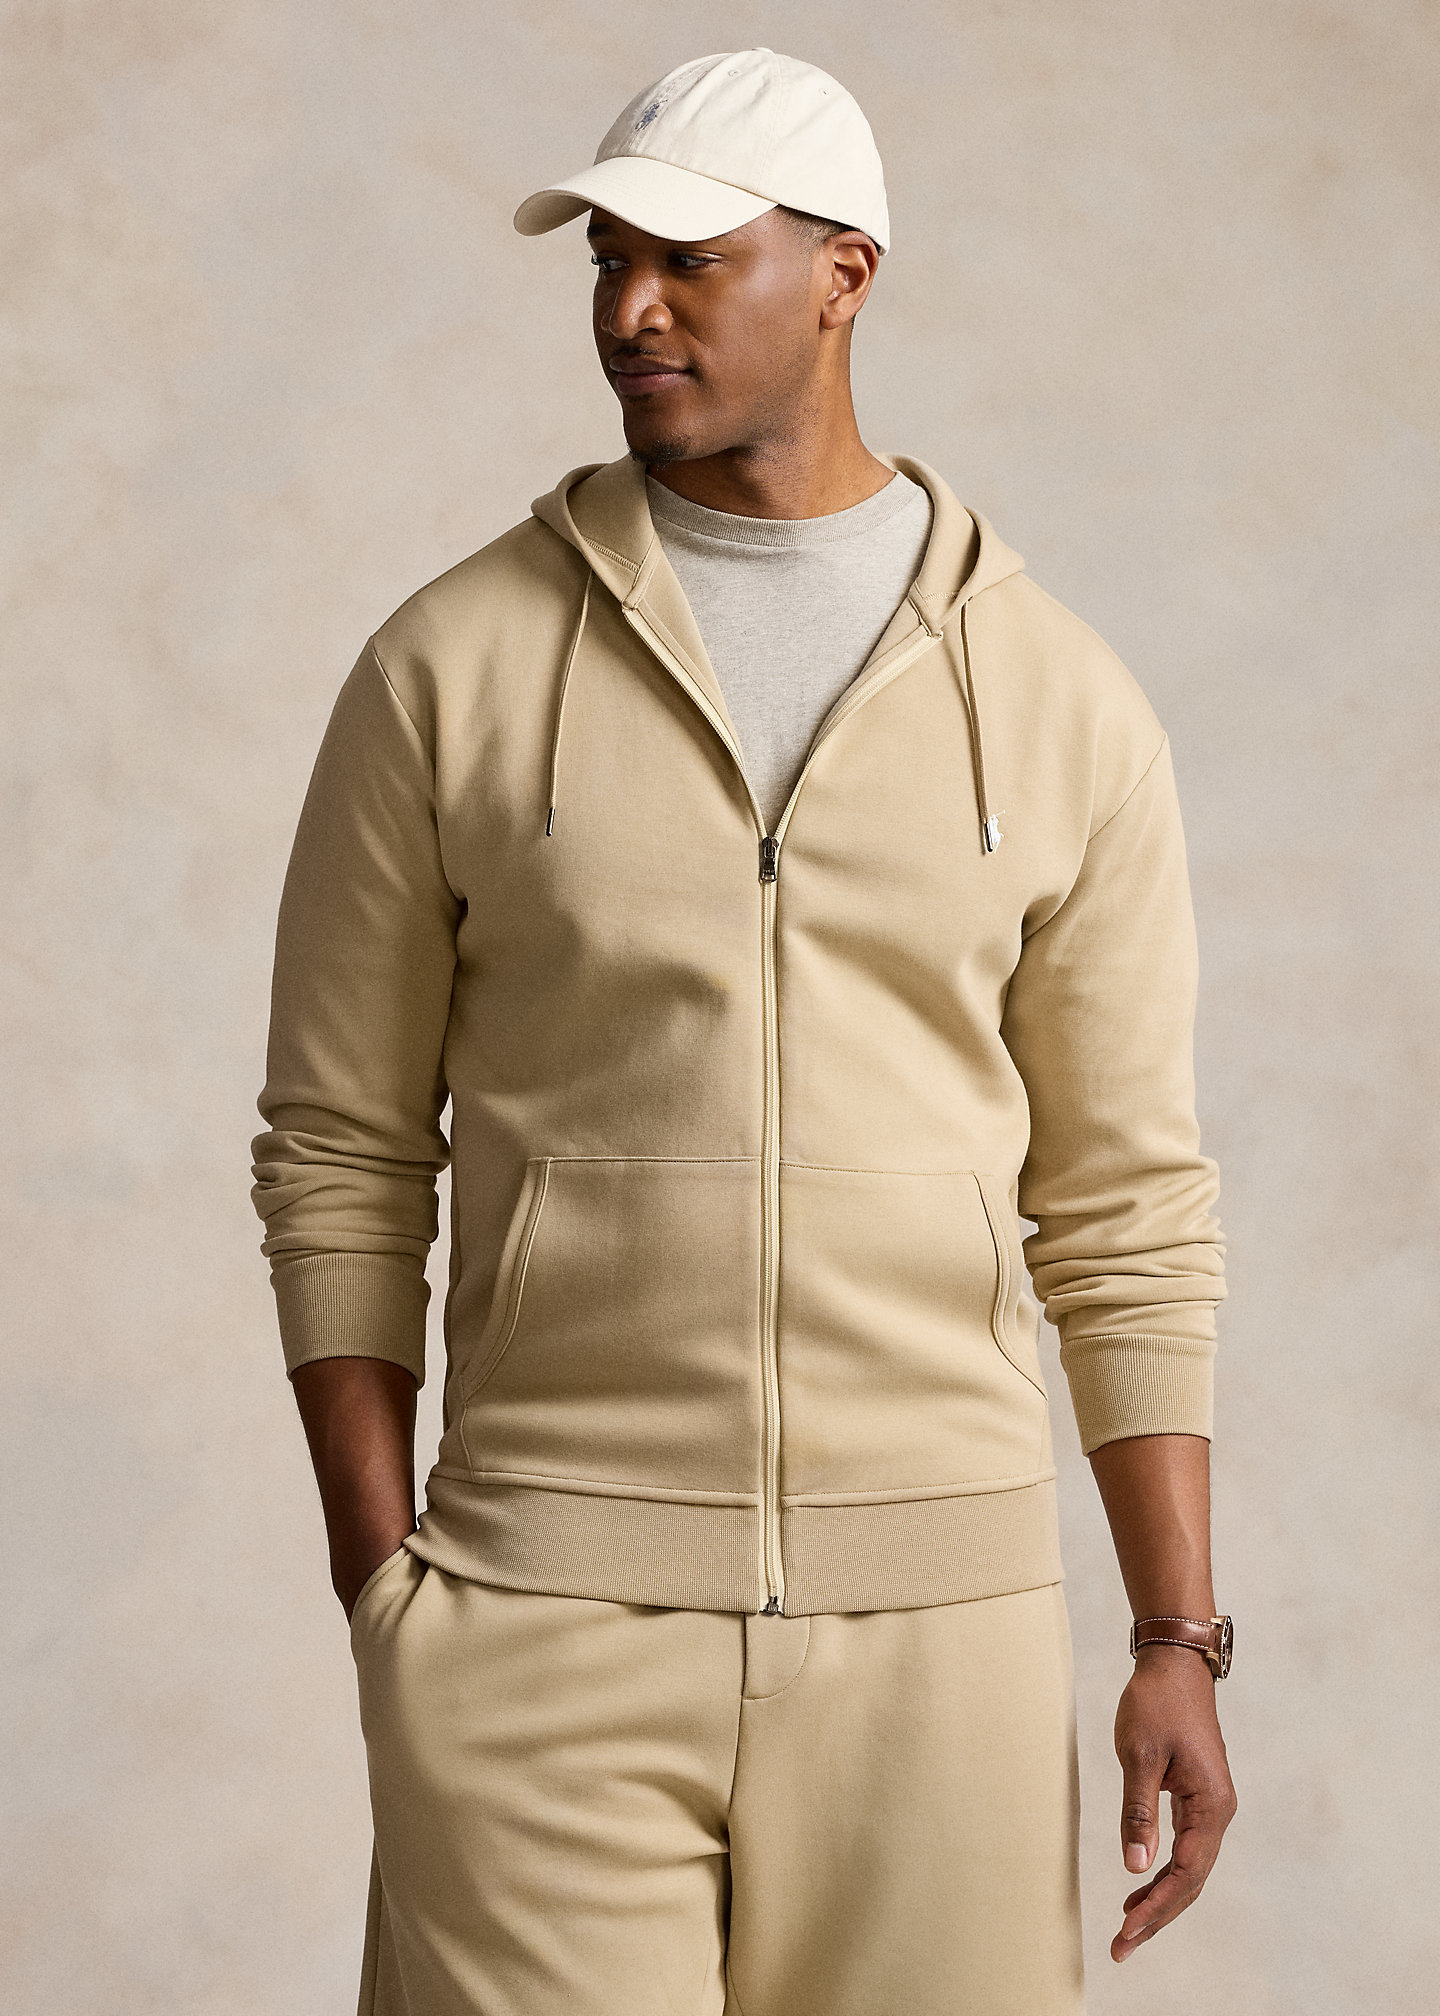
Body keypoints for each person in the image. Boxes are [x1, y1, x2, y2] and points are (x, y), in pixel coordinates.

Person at [250, 46, 1236, 2016]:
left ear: (847, 272)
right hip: (538, 1619)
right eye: (608, 261)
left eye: (691, 261)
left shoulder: (1061, 700)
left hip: (941, 1640)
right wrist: (387, 1595)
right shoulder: (448, 669)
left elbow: (1125, 1203)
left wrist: (1176, 1635)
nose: (631, 310)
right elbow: (339, 1152)